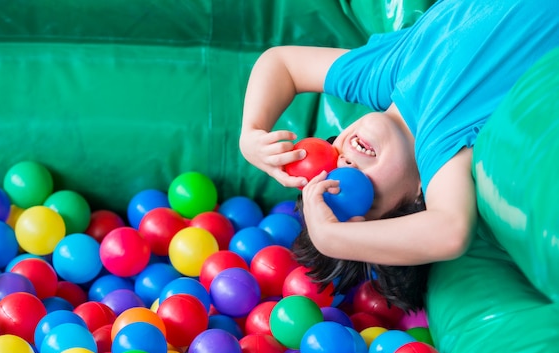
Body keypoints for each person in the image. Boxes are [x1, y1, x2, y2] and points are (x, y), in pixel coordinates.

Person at [239, 0, 559, 310]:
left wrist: (251, 133)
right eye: (355, 188)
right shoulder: (440, 145)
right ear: (419, 197)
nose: (344, 163)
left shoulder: (385, 73)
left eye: (331, 165)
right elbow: (451, 229)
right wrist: (333, 238)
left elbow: (282, 64)